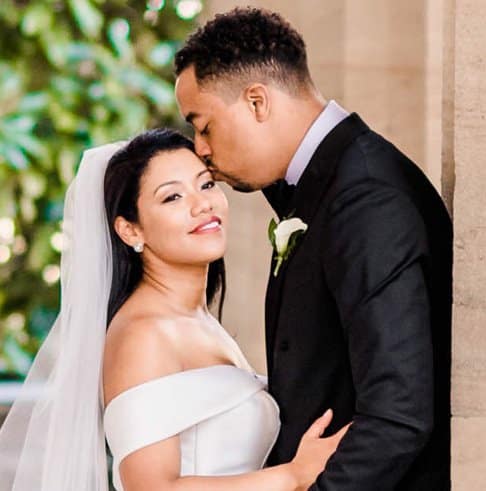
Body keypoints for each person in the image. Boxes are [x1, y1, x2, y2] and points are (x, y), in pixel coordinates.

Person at [174, 7, 452, 491]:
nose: (200, 148)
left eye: (204, 126)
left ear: (257, 102)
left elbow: (398, 416)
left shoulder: (367, 199)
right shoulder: (327, 184)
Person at [0, 128, 347, 491]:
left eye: (207, 185)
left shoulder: (197, 321)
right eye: (173, 197)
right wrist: (292, 475)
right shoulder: (144, 334)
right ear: (131, 231)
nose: (202, 205)